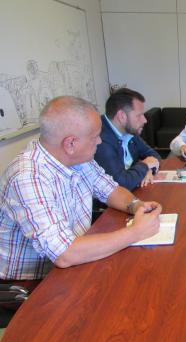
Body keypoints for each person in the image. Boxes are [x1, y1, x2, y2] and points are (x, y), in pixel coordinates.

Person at [0, 96, 162, 281]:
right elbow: (64, 254)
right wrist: (135, 232)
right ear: (70, 144)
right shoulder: (28, 177)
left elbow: (110, 189)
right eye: (95, 137)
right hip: (33, 286)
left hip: (75, 265)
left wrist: (136, 205)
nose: (100, 142)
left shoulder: (78, 159)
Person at [94, 88, 161, 191]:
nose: (145, 120)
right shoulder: (100, 140)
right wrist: (144, 165)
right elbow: (120, 184)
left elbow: (153, 155)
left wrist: (148, 169)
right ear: (121, 116)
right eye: (139, 115)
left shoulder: (128, 130)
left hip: (134, 192)